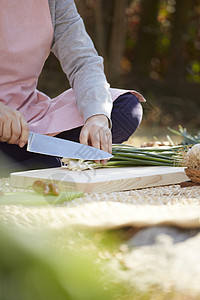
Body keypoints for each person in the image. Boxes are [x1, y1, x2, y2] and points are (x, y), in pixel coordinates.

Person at [0, 0, 145, 176]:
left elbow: (82, 60)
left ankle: (36, 161)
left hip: (28, 120)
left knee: (125, 109)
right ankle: (43, 162)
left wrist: (97, 116)